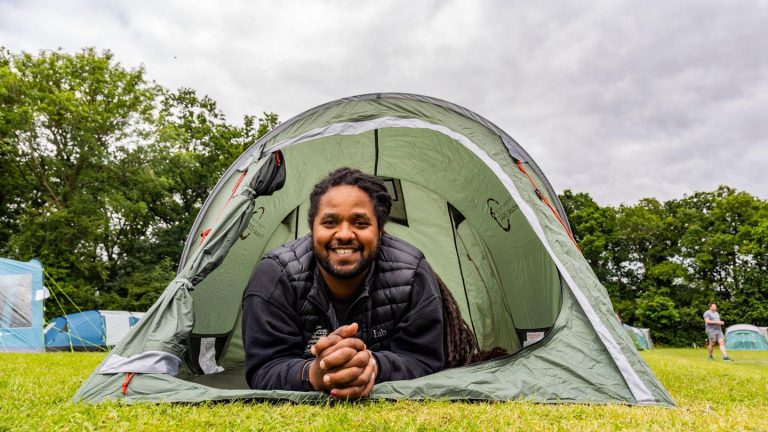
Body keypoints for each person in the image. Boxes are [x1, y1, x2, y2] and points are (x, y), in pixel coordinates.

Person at [242, 167, 445, 399]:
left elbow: (425, 360)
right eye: (330, 222)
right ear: (312, 229)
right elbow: (263, 368)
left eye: (360, 223)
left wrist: (373, 365)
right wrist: (313, 373)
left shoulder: (412, 274)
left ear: (380, 231)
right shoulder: (275, 275)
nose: (345, 234)